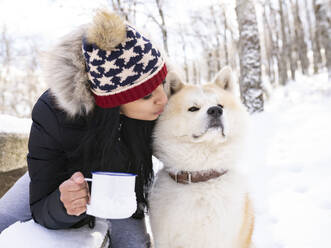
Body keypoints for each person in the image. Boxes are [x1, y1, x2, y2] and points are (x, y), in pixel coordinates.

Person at [0, 9, 168, 248]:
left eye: (162, 83)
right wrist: (64, 204)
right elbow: (40, 204)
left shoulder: (156, 100)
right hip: (63, 178)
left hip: (121, 186)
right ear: (114, 102)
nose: (163, 100)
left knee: (136, 244)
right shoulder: (54, 112)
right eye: (147, 95)